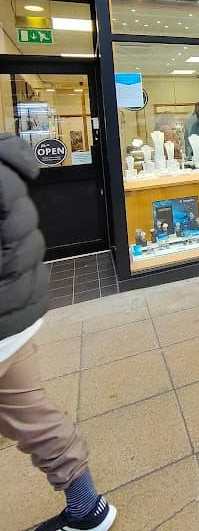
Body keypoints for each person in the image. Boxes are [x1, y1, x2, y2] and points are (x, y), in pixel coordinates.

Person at [0, 133, 116, 531]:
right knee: (35, 415)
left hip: (5, 316)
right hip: (13, 314)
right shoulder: (7, 163)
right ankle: (86, 509)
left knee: (33, 416)